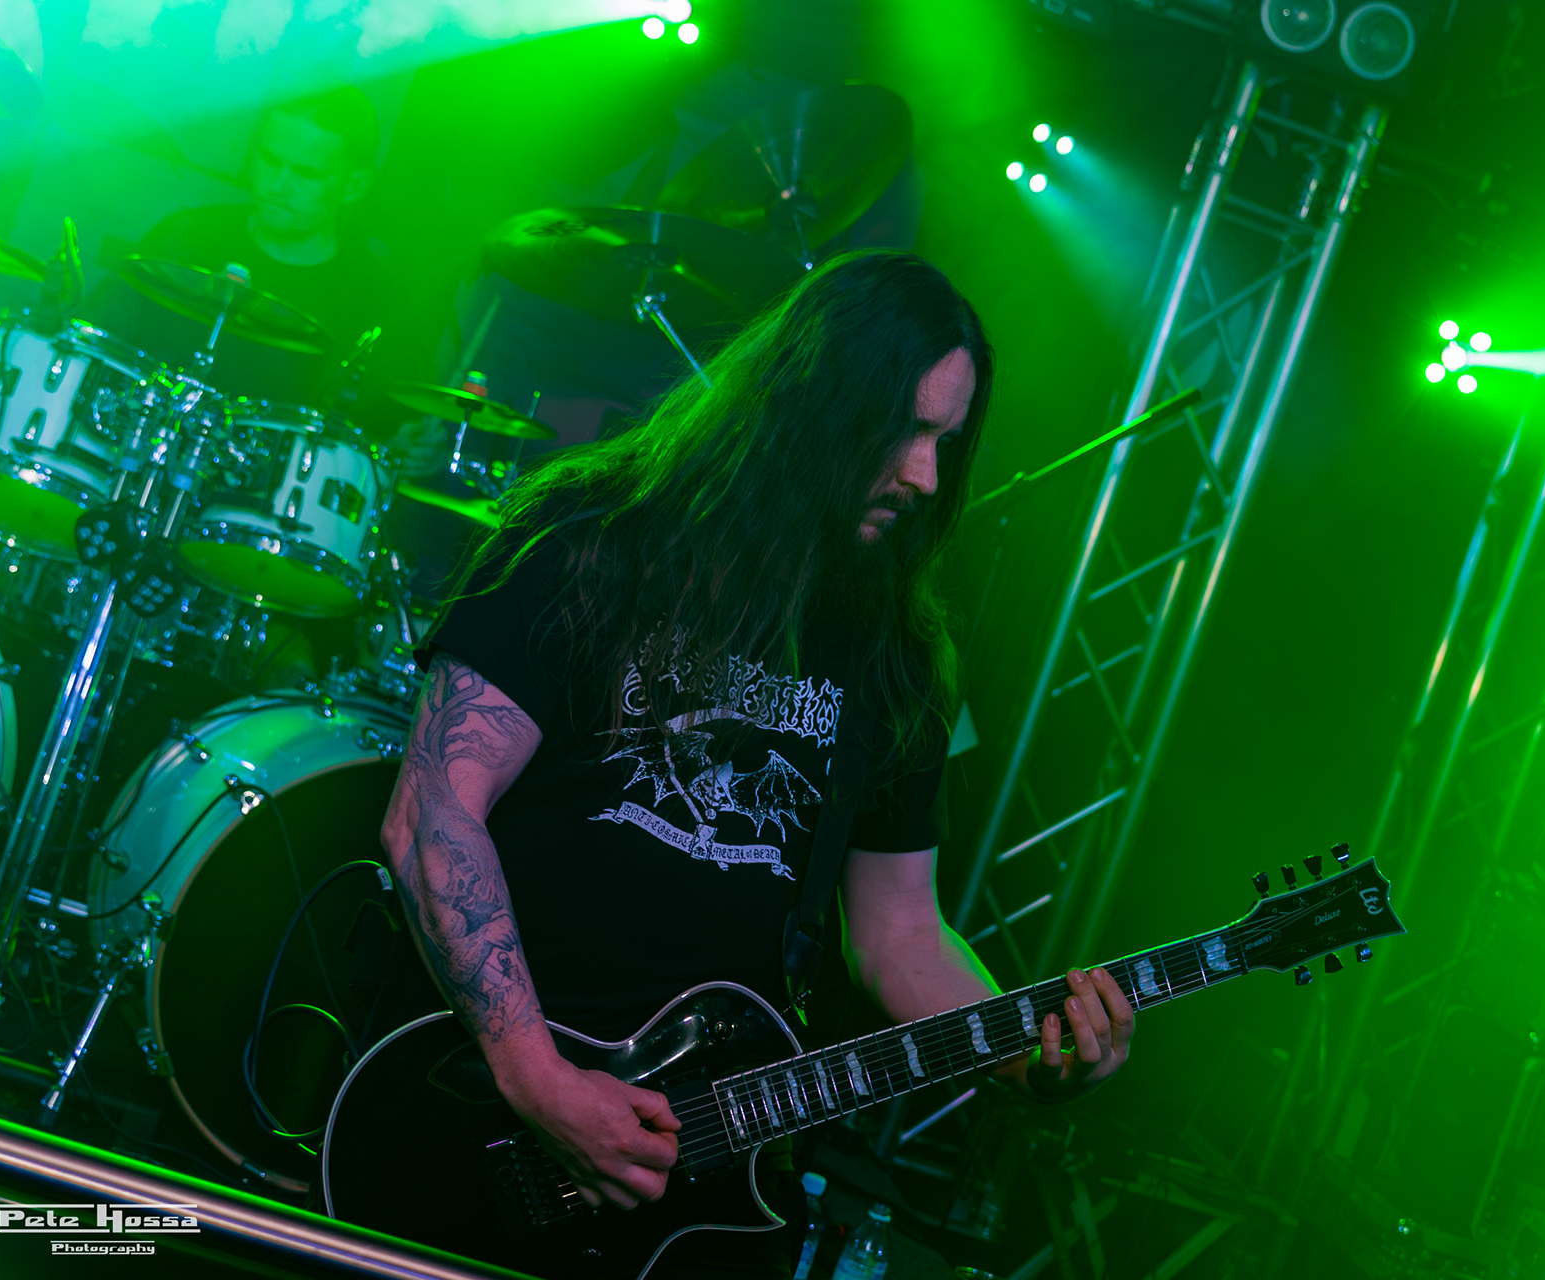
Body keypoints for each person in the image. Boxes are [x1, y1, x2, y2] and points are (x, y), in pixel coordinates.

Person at [377, 251, 1137, 1275]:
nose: (924, 477)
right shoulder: (594, 537)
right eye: (902, 430)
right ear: (812, 402)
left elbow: (900, 932)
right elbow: (431, 811)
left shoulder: (899, 655)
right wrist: (540, 1080)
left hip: (698, 1171)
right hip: (482, 1114)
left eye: (945, 443)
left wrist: (1025, 1049)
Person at [86, 84, 411, 408]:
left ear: (355, 185)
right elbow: (91, 338)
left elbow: (383, 420)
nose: (278, 185)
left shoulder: (376, 299)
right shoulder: (184, 234)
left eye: (306, 173)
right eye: (270, 159)